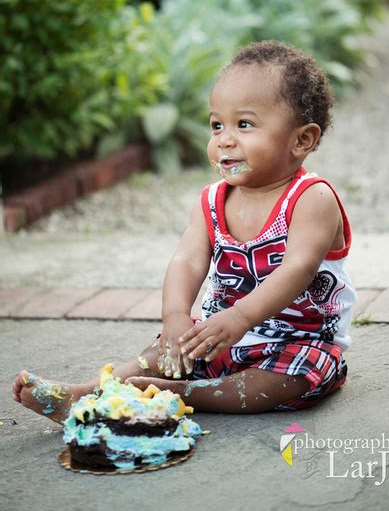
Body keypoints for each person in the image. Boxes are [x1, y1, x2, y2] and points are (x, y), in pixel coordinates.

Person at [12, 40, 356, 419]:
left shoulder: (311, 198)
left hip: (297, 343)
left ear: (301, 140)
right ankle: (84, 395)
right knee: (160, 355)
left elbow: (298, 269)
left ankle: (183, 392)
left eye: (244, 124)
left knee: (276, 384)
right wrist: (175, 317)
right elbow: (188, 260)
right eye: (216, 125)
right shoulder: (212, 201)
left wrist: (241, 318)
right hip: (218, 336)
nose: (224, 139)